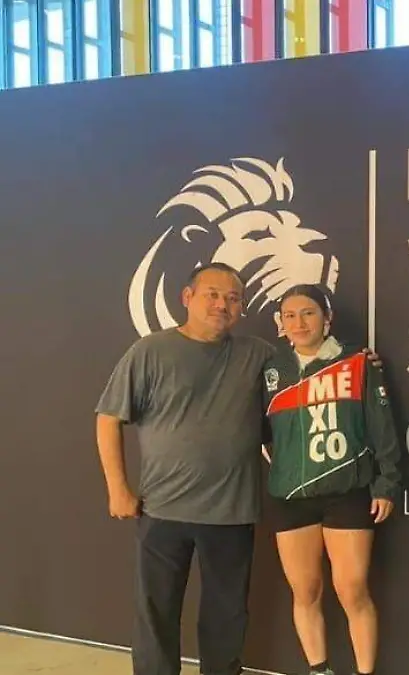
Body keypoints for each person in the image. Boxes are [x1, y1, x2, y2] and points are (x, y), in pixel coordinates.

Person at [94, 263, 382, 675]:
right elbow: (108, 418)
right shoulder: (150, 351)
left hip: (232, 512)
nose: (222, 305)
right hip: (162, 510)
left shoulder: (260, 355)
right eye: (212, 294)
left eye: (232, 298)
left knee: (226, 616)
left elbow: (311, 362)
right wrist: (117, 488)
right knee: (156, 612)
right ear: (187, 297)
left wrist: (359, 362)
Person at [261, 284, 402, 675]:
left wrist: (387, 482)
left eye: (308, 313)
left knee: (352, 589)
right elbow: (259, 430)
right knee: (305, 590)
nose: (299, 323)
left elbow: (383, 427)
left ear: (327, 318)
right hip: (291, 495)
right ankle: (318, 669)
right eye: (290, 316)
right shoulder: (271, 369)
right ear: (281, 323)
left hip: (347, 491)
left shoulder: (358, 362)